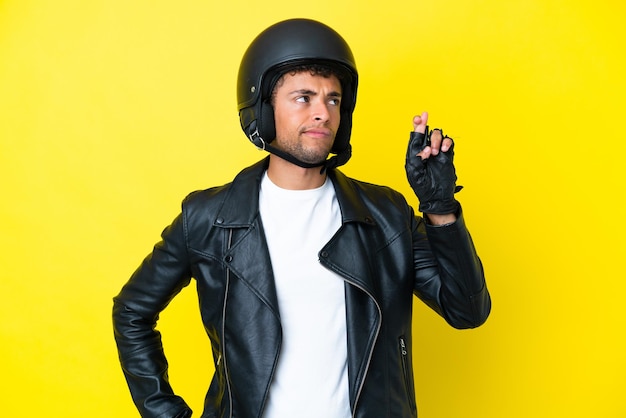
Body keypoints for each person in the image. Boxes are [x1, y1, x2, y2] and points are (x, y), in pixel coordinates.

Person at [113, 18, 491, 418]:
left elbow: (467, 311)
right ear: (262, 110)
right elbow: (132, 312)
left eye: (333, 99)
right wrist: (165, 413)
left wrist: (440, 208)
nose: (323, 113)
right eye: (303, 98)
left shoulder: (387, 215)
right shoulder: (207, 219)